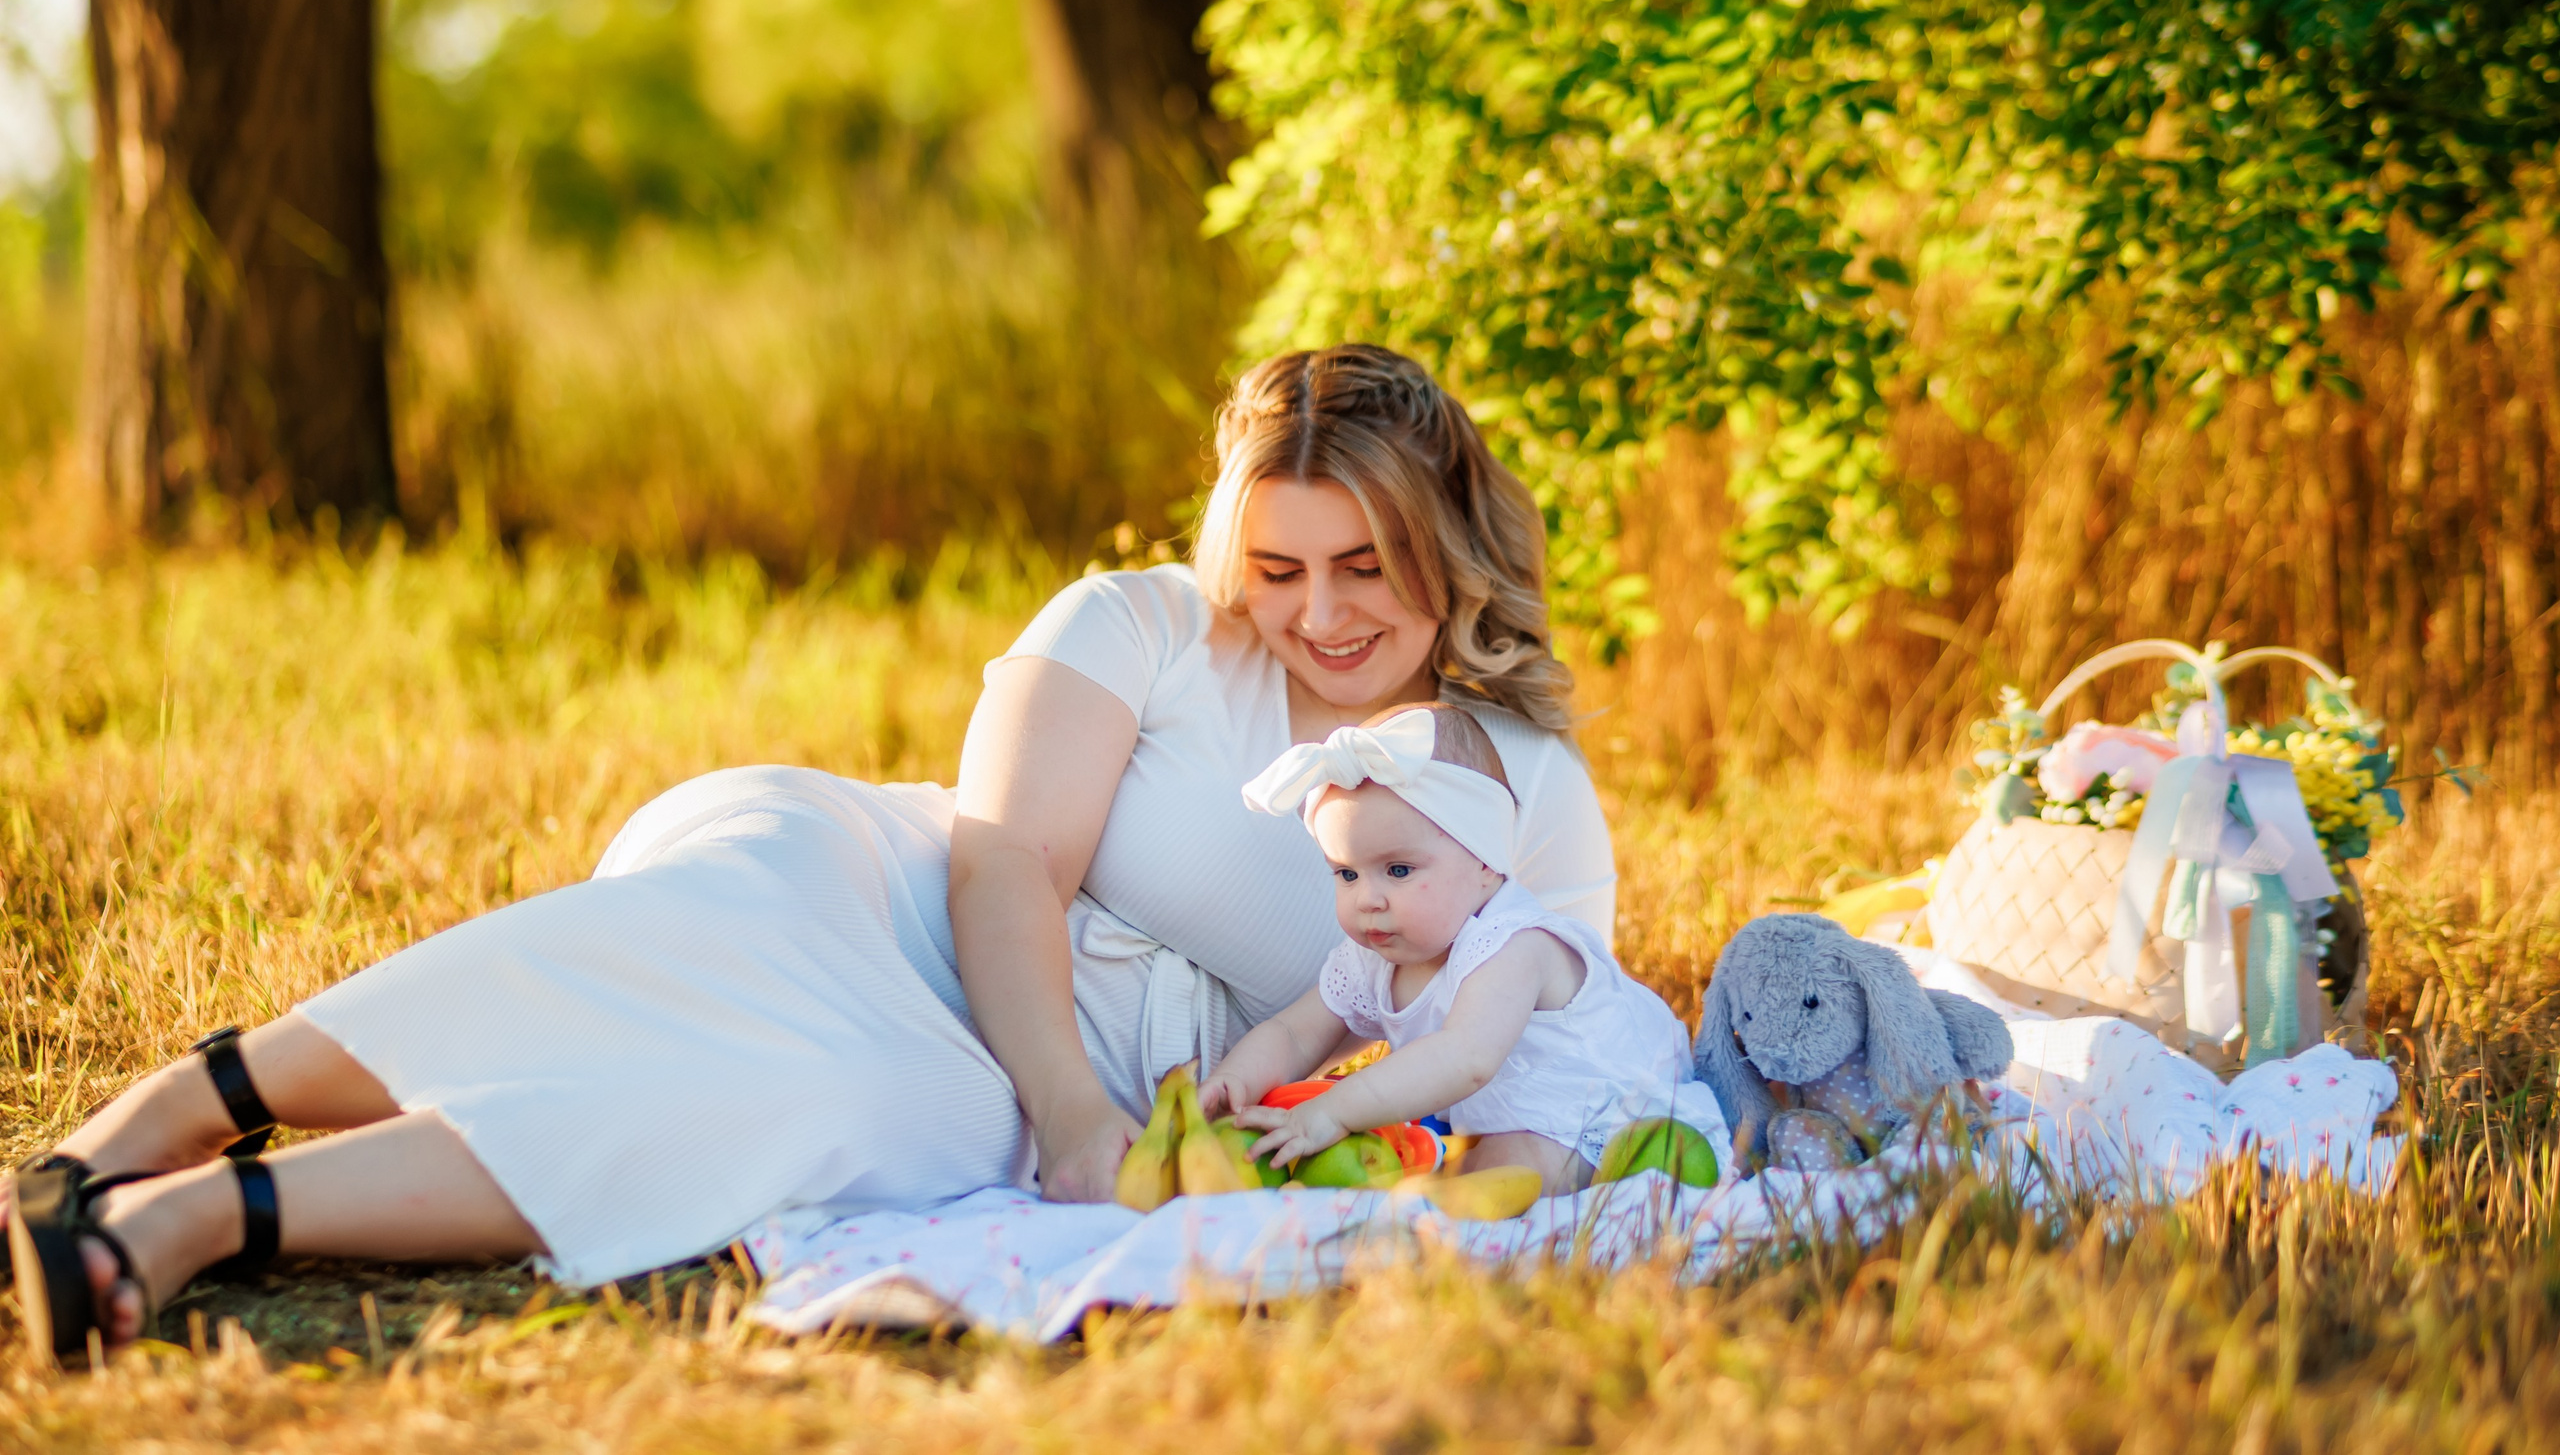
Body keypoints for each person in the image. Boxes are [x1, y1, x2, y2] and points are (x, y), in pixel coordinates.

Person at [7, 345, 1618, 1366]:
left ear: (1447, 542)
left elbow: (1551, 1048)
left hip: (1069, 1090)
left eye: (1367, 565)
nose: (1323, 613)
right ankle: (170, 1111)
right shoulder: (1137, 624)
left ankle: (207, 1220)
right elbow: (1000, 866)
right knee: (699, 956)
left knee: (821, 1107)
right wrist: (1066, 1104)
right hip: (913, 911)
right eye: (1279, 564)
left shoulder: (1523, 782)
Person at [1202, 703, 1697, 1195]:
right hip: (1502, 1115)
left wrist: (1333, 1110)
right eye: (1346, 873)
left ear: (1485, 863)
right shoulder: (1374, 959)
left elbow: (1466, 1057)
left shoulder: (1513, 945)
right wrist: (1236, 1081)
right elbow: (1294, 1034)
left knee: (1506, 1167)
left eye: (1398, 870)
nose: (1367, 899)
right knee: (1439, 1154)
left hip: (1603, 1111)